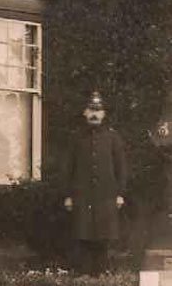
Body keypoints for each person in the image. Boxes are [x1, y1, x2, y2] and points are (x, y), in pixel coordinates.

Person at [64, 92, 128, 275]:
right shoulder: (76, 138)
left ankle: (100, 275)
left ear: (104, 114)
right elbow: (68, 168)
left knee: (103, 236)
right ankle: (84, 275)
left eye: (98, 110)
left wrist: (120, 194)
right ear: (85, 112)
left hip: (106, 196)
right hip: (82, 196)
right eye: (91, 110)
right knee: (83, 235)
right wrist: (68, 195)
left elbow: (121, 168)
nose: (94, 114)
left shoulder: (113, 138)